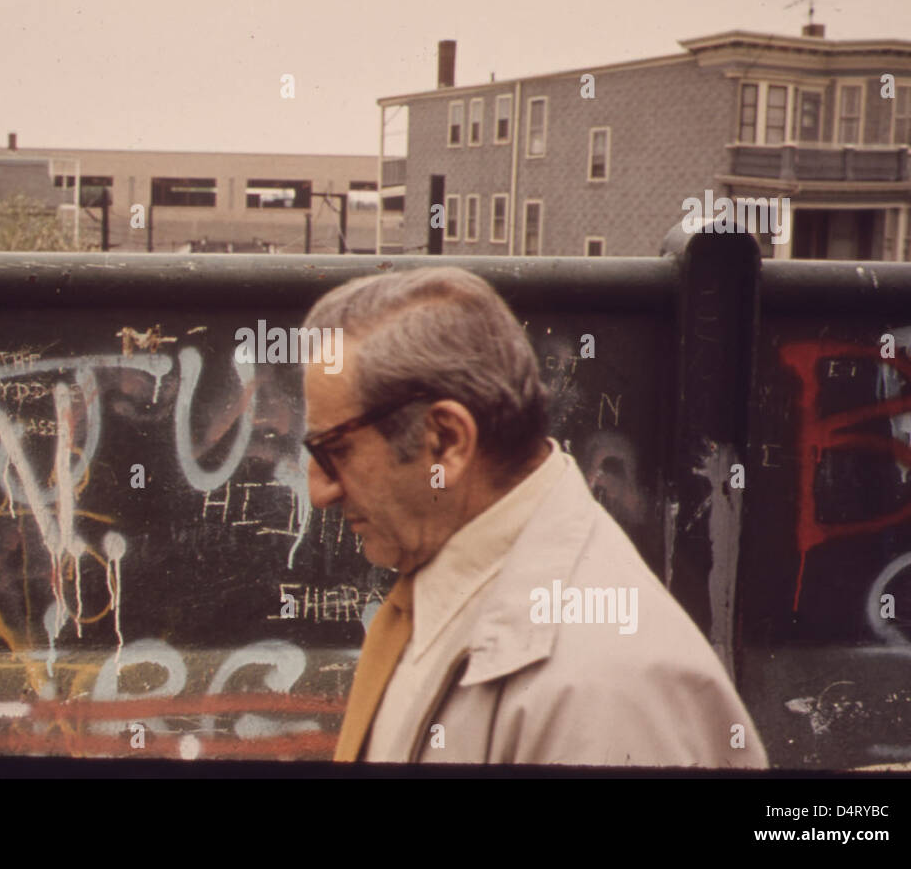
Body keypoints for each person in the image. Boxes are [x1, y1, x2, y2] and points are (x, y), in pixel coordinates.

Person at [300, 266, 767, 767]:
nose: (318, 490)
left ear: (447, 441)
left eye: (336, 450)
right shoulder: (453, 591)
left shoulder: (599, 691)